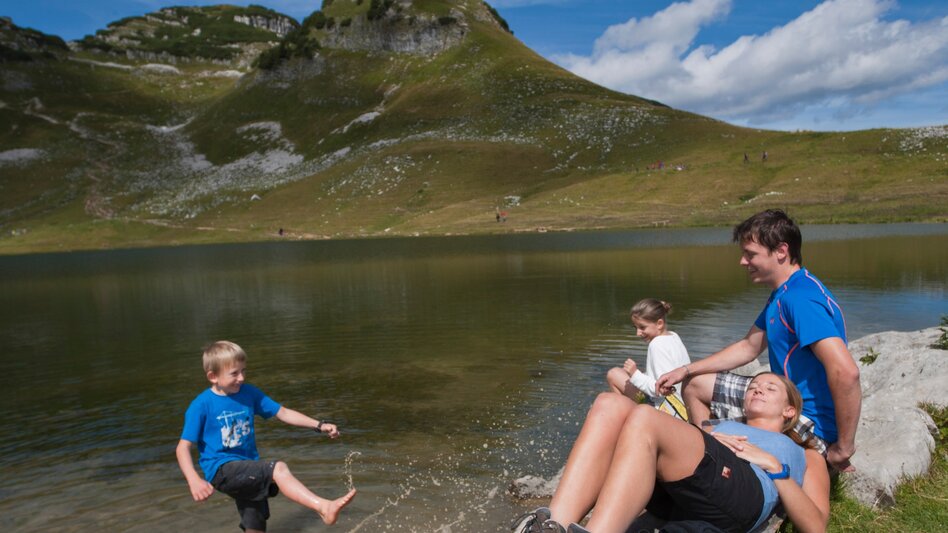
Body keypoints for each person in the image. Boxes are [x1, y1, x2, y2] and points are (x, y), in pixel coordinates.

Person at [655, 209, 861, 472]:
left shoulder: (800, 300)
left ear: (781, 251)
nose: (743, 261)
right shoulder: (786, 292)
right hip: (788, 406)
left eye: (751, 254)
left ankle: (708, 464)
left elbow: (846, 372)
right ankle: (712, 457)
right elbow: (749, 346)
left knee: (696, 389)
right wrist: (685, 369)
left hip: (807, 422)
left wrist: (843, 448)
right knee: (694, 382)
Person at [512, 373, 830, 533]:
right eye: (752, 386)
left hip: (742, 494)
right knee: (608, 404)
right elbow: (695, 405)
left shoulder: (801, 451)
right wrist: (709, 435)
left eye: (769, 388)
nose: (757, 388)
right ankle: (549, 524)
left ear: (790, 410)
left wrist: (773, 466)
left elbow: (816, 525)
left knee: (646, 417)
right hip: (685, 490)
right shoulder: (723, 424)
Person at [176, 341, 356, 532]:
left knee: (255, 525)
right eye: (234, 373)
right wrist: (194, 480)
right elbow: (183, 447)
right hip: (221, 469)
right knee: (277, 469)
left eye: (243, 371)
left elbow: (283, 413)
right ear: (213, 376)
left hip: (248, 468)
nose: (241, 377)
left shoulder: (249, 393)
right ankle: (323, 507)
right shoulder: (201, 405)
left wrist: (319, 425)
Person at [606, 299, 691, 419]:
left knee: (613, 374)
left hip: (666, 411)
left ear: (659, 324)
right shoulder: (673, 336)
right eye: (635, 327)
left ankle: (628, 421)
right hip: (683, 406)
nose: (638, 333)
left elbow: (659, 390)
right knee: (620, 373)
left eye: (642, 327)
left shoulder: (656, 345)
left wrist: (634, 374)